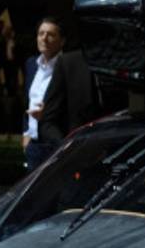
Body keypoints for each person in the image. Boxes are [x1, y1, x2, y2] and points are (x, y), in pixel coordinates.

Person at [22, 17, 96, 171]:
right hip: (34, 146)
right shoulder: (31, 64)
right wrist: (26, 133)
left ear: (62, 41)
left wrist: (47, 114)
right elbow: (27, 102)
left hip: (57, 142)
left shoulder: (70, 67)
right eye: (41, 33)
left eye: (50, 34)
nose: (44, 38)